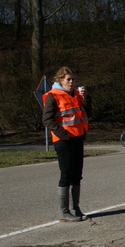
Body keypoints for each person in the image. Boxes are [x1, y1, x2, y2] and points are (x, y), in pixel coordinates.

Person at [42, 67, 92, 222]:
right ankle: (64, 211)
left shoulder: (77, 95)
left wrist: (86, 99)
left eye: (73, 79)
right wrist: (63, 134)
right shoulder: (53, 96)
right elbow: (47, 119)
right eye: (68, 79)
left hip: (77, 139)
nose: (71, 82)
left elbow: (87, 113)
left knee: (77, 175)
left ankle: (76, 208)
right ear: (60, 80)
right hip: (63, 141)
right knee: (66, 175)